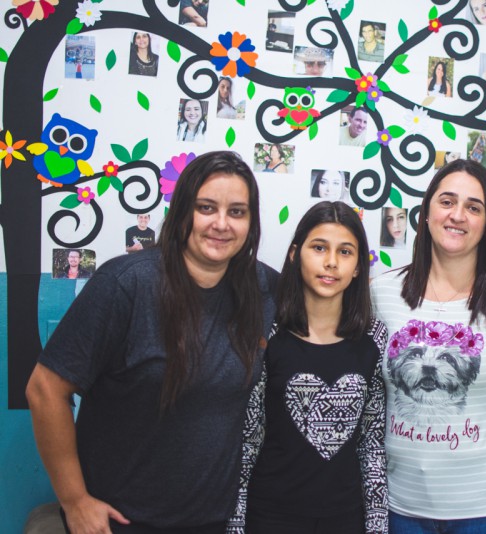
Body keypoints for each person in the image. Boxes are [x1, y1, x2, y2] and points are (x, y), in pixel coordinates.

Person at [26, 151, 279, 532]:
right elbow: (45, 389)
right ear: (181, 212)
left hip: (212, 520)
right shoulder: (126, 283)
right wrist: (74, 500)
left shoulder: (262, 287)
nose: (221, 224)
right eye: (206, 208)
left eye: (237, 212)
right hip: (119, 520)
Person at [371, 159, 486, 532]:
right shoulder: (381, 294)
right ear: (426, 213)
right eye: (447, 202)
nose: (457, 215)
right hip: (401, 507)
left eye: (473, 207)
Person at [239, 201, 388, 533]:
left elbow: (371, 444)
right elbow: (248, 441)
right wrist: (236, 523)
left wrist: (377, 525)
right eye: (319, 247)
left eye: (345, 252)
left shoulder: (375, 339)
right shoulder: (268, 334)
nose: (331, 262)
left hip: (346, 519)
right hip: (270, 517)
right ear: (295, 255)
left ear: (359, 266)